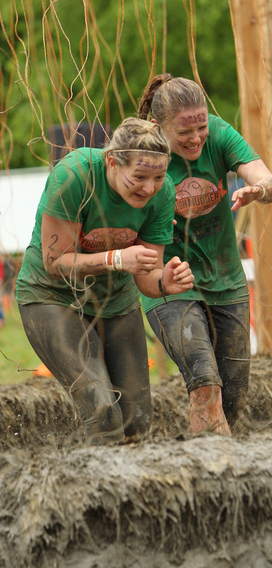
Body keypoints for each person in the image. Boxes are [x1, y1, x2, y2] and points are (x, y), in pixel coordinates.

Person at [15, 117, 194, 446]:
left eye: (158, 177)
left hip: (116, 302)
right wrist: (116, 258)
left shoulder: (162, 191)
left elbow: (146, 276)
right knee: (101, 409)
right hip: (52, 297)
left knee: (137, 423)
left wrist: (165, 283)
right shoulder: (74, 176)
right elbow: (55, 263)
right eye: (139, 177)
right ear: (112, 161)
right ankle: (97, 494)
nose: (150, 188)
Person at [137, 74, 272, 436]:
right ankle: (212, 469)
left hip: (225, 279)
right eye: (184, 132)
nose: (196, 138)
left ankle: (206, 454)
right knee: (205, 382)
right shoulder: (141, 153)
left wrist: (258, 190)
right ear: (158, 127)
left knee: (232, 397)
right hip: (170, 282)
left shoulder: (217, 133)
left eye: (201, 126)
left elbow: (269, 181)